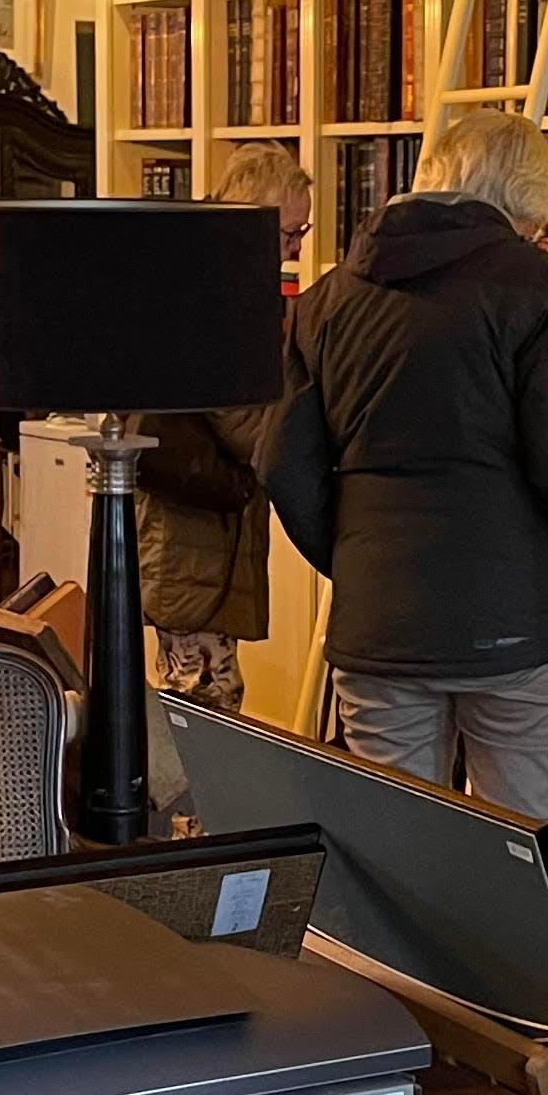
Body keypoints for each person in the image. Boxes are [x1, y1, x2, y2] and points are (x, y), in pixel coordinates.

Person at [263, 106, 548, 823]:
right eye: (534, 221)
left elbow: (283, 460)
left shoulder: (327, 298)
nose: (537, 236)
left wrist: (359, 557)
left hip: (380, 620)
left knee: (392, 841)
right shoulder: (532, 287)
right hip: (518, 615)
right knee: (529, 842)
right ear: (513, 205)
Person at [143, 143, 308, 715]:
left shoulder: (189, 271)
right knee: (204, 699)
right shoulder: (219, 293)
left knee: (198, 690)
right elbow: (242, 421)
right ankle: (194, 811)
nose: (295, 250)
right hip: (193, 539)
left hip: (194, 536)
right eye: (290, 233)